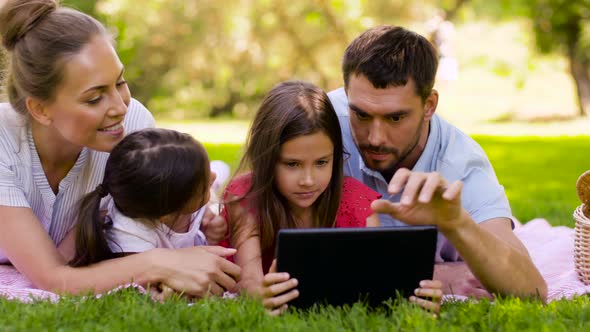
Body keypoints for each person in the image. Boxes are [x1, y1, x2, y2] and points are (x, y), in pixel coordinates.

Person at [0, 0, 239, 297]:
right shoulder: (4, 142)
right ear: (40, 109)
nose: (119, 107)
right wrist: (157, 263)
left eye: (120, 82)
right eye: (94, 98)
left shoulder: (135, 122)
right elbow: (53, 277)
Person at [327, 25, 547, 300]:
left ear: (429, 105)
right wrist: (431, 273)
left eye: (395, 118)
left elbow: (533, 290)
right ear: (347, 95)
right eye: (361, 115)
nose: (375, 137)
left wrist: (455, 222)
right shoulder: (321, 124)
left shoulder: (461, 164)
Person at [222, 80, 443, 315]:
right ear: (265, 159)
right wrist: (262, 296)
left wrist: (414, 297)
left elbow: (378, 282)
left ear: (335, 156)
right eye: (292, 164)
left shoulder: (359, 202)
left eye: (321, 162)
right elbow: (249, 281)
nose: (308, 179)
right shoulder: (246, 196)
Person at [70, 128, 226, 268]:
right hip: (182, 256)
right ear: (166, 215)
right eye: (205, 183)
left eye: (207, 171)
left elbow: (204, 203)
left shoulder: (182, 200)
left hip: (191, 242)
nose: (213, 175)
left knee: (216, 181)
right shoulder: (132, 234)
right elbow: (145, 279)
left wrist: (209, 219)